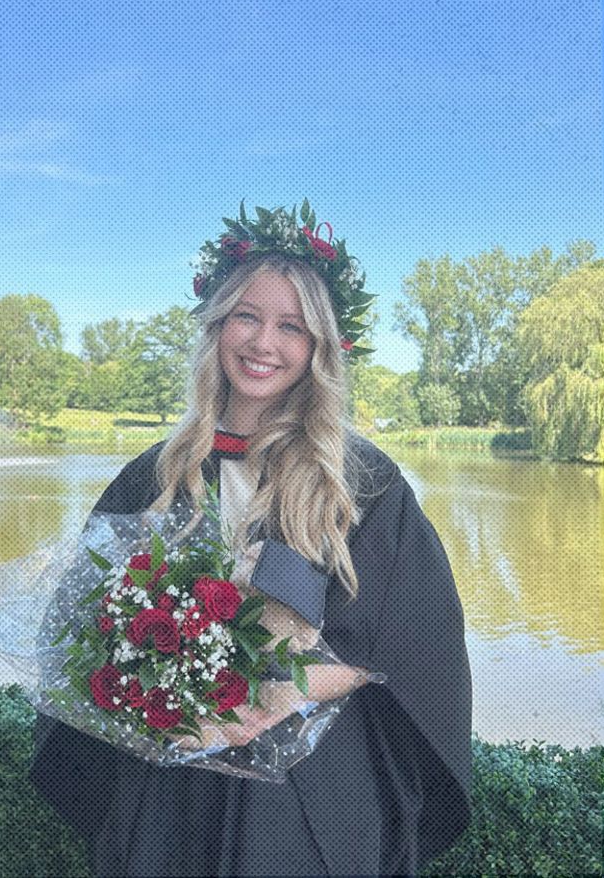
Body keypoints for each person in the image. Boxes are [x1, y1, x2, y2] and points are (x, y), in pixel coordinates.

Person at [29, 203, 472, 877]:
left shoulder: (360, 483)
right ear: (217, 325)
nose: (265, 342)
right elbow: (80, 620)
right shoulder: (155, 474)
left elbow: (412, 645)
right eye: (247, 316)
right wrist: (148, 680)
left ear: (320, 347)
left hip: (305, 794)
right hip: (169, 784)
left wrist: (281, 694)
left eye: (291, 326)